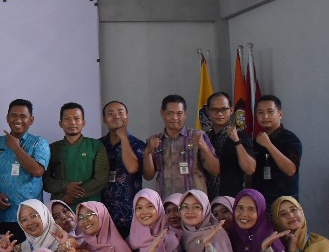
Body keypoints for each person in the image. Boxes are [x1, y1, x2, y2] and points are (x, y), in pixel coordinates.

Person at [0, 99, 50, 240]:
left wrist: (16, 147)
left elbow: (38, 171)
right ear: (7, 118)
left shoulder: (39, 143)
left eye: (23, 116)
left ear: (31, 120)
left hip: (31, 217)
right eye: (14, 115)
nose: (18, 120)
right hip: (2, 215)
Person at [143, 95, 218, 198]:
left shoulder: (198, 136)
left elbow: (215, 170)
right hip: (167, 203)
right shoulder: (154, 140)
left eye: (179, 113)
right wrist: (148, 152)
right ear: (162, 113)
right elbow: (148, 176)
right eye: (170, 113)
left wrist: (204, 148)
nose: (175, 118)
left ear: (185, 114)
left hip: (195, 202)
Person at [44, 102, 110, 210]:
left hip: (90, 207)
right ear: (60, 123)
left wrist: (73, 196)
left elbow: (101, 179)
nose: (72, 122)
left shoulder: (96, 146)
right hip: (61, 207)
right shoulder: (52, 148)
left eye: (77, 118)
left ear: (83, 122)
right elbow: (45, 181)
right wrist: (65, 187)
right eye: (67, 119)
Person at [99, 101, 146, 238]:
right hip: (103, 214)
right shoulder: (98, 145)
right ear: (104, 119)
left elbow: (132, 168)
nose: (116, 116)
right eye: (111, 113)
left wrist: (123, 138)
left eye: (120, 112)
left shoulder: (137, 144)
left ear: (127, 117)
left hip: (130, 214)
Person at [202, 92, 255, 199]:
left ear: (231, 110)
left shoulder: (239, 135)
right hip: (207, 199)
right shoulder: (204, 137)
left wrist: (237, 141)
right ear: (208, 111)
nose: (219, 113)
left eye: (224, 109)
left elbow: (250, 169)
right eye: (214, 109)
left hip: (231, 199)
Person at [249, 96, 302, 202]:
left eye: (270, 112)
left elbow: (291, 170)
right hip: (260, 200)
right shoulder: (256, 140)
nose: (265, 116)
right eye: (260, 112)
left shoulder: (290, 139)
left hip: (284, 202)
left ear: (280, 114)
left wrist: (269, 145)